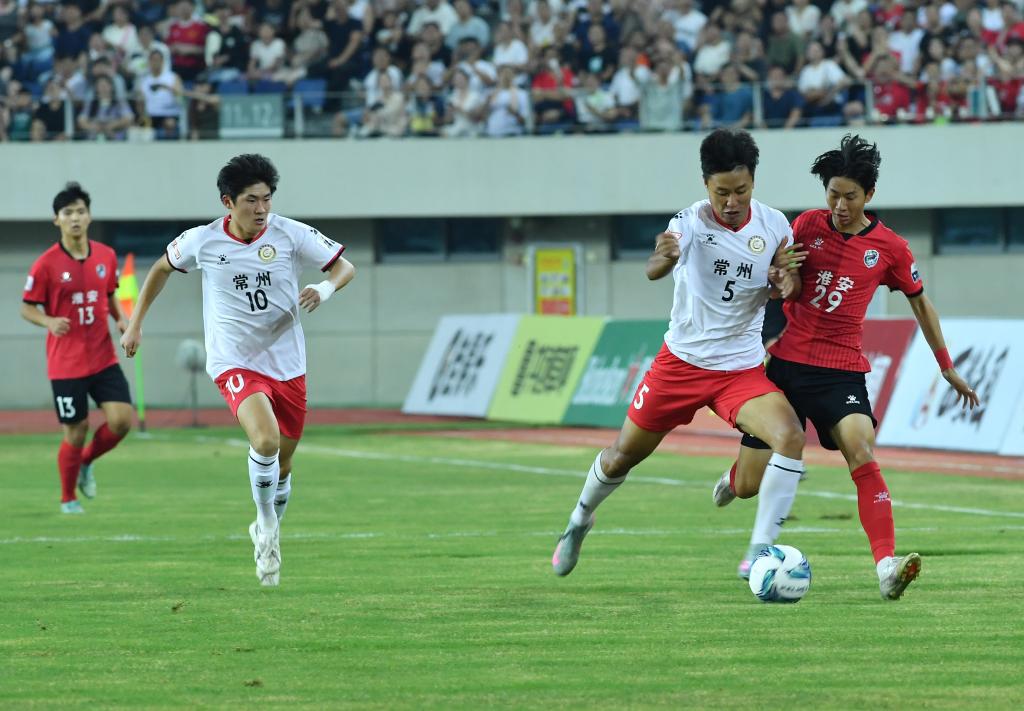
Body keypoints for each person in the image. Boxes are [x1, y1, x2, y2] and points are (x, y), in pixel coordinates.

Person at [714, 135, 981, 600]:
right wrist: (784, 276)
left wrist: (946, 366)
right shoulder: (805, 225)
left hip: (840, 371)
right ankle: (735, 479)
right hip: (786, 367)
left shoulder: (891, 248)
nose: (839, 205)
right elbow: (782, 281)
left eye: (850, 196)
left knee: (862, 448)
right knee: (751, 484)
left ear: (869, 195)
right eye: (833, 194)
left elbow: (922, 305)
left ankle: (886, 567)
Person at [551, 129, 809, 578]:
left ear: (753, 182)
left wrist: (786, 282)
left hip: (740, 371)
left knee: (790, 436)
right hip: (681, 365)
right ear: (706, 184)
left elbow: (790, 285)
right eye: (721, 192)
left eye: (741, 190)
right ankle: (579, 521)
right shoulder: (688, 222)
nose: (732, 201)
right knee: (621, 457)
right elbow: (654, 268)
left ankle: (759, 553)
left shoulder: (775, 226)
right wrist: (665, 257)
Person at [120, 155, 356, 586]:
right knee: (264, 440)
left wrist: (324, 288)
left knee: (283, 463)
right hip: (233, 360)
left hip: (287, 363)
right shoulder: (203, 240)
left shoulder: (290, 234)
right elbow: (160, 268)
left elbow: (344, 267)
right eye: (251, 200)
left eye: (267, 199)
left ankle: (269, 522)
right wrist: (136, 322)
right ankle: (266, 526)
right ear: (228, 202)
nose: (261, 209)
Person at [20, 183, 133, 514]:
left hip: (103, 357)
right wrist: (48, 321)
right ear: (57, 219)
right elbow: (26, 308)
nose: (75, 218)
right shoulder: (45, 265)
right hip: (65, 364)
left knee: (122, 421)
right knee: (76, 429)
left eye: (80, 211)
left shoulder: (106, 256)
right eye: (67, 212)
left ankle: (85, 461)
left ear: (89, 216)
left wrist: (122, 320)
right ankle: (68, 498)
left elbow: (110, 293)